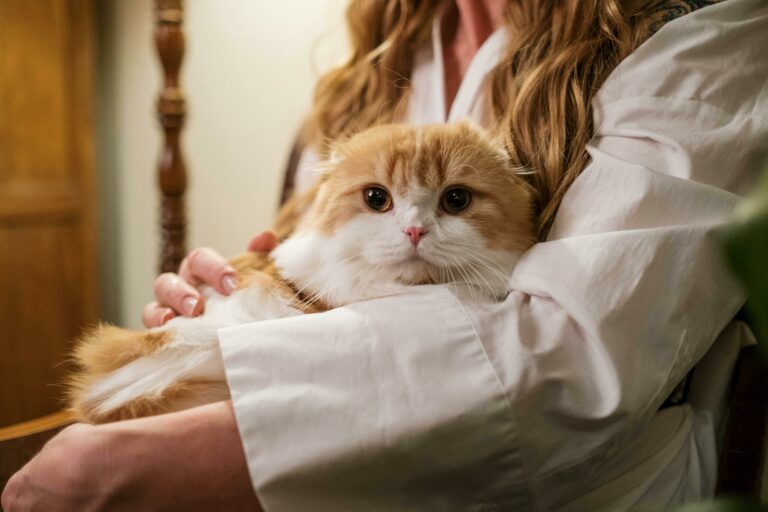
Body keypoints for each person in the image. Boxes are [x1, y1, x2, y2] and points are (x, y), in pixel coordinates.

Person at [4, 0, 767, 510]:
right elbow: (309, 264)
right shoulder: (372, 67)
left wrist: (156, 456)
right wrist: (219, 303)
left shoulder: (703, 36)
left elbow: (570, 367)